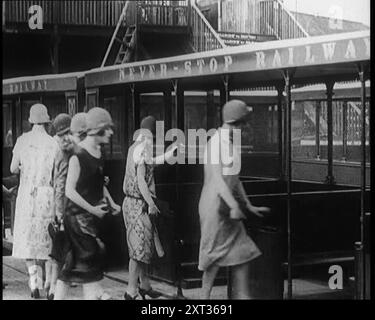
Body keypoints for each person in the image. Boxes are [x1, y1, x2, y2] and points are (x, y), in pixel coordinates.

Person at [198, 100, 270, 299]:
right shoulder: (215, 143)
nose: (246, 127)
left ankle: (242, 296)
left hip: (228, 207)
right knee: (213, 258)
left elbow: (234, 179)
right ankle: (204, 300)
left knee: (242, 255)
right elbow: (218, 180)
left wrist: (247, 205)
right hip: (214, 207)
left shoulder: (230, 143)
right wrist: (234, 206)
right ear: (235, 122)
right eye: (243, 122)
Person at [54, 107, 120, 300]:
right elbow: (69, 190)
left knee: (70, 266)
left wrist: (111, 202)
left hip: (89, 218)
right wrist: (92, 209)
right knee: (91, 260)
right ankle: (95, 295)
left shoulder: (99, 152)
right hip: (76, 220)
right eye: (107, 128)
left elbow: (98, 183)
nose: (110, 132)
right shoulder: (78, 155)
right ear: (96, 130)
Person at [122, 116, 180, 300]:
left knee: (142, 247)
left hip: (132, 203)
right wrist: (151, 203)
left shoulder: (135, 147)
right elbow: (141, 180)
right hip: (138, 204)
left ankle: (145, 285)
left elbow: (151, 163)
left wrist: (170, 153)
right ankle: (131, 291)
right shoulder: (143, 147)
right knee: (138, 250)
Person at [10, 103, 60, 299]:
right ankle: (50, 286)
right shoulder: (53, 142)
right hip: (47, 195)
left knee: (29, 244)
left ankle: (34, 284)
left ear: (31, 121)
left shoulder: (22, 140)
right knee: (48, 244)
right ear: (46, 122)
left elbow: (13, 168)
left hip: (28, 196)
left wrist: (25, 167)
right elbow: (57, 174)